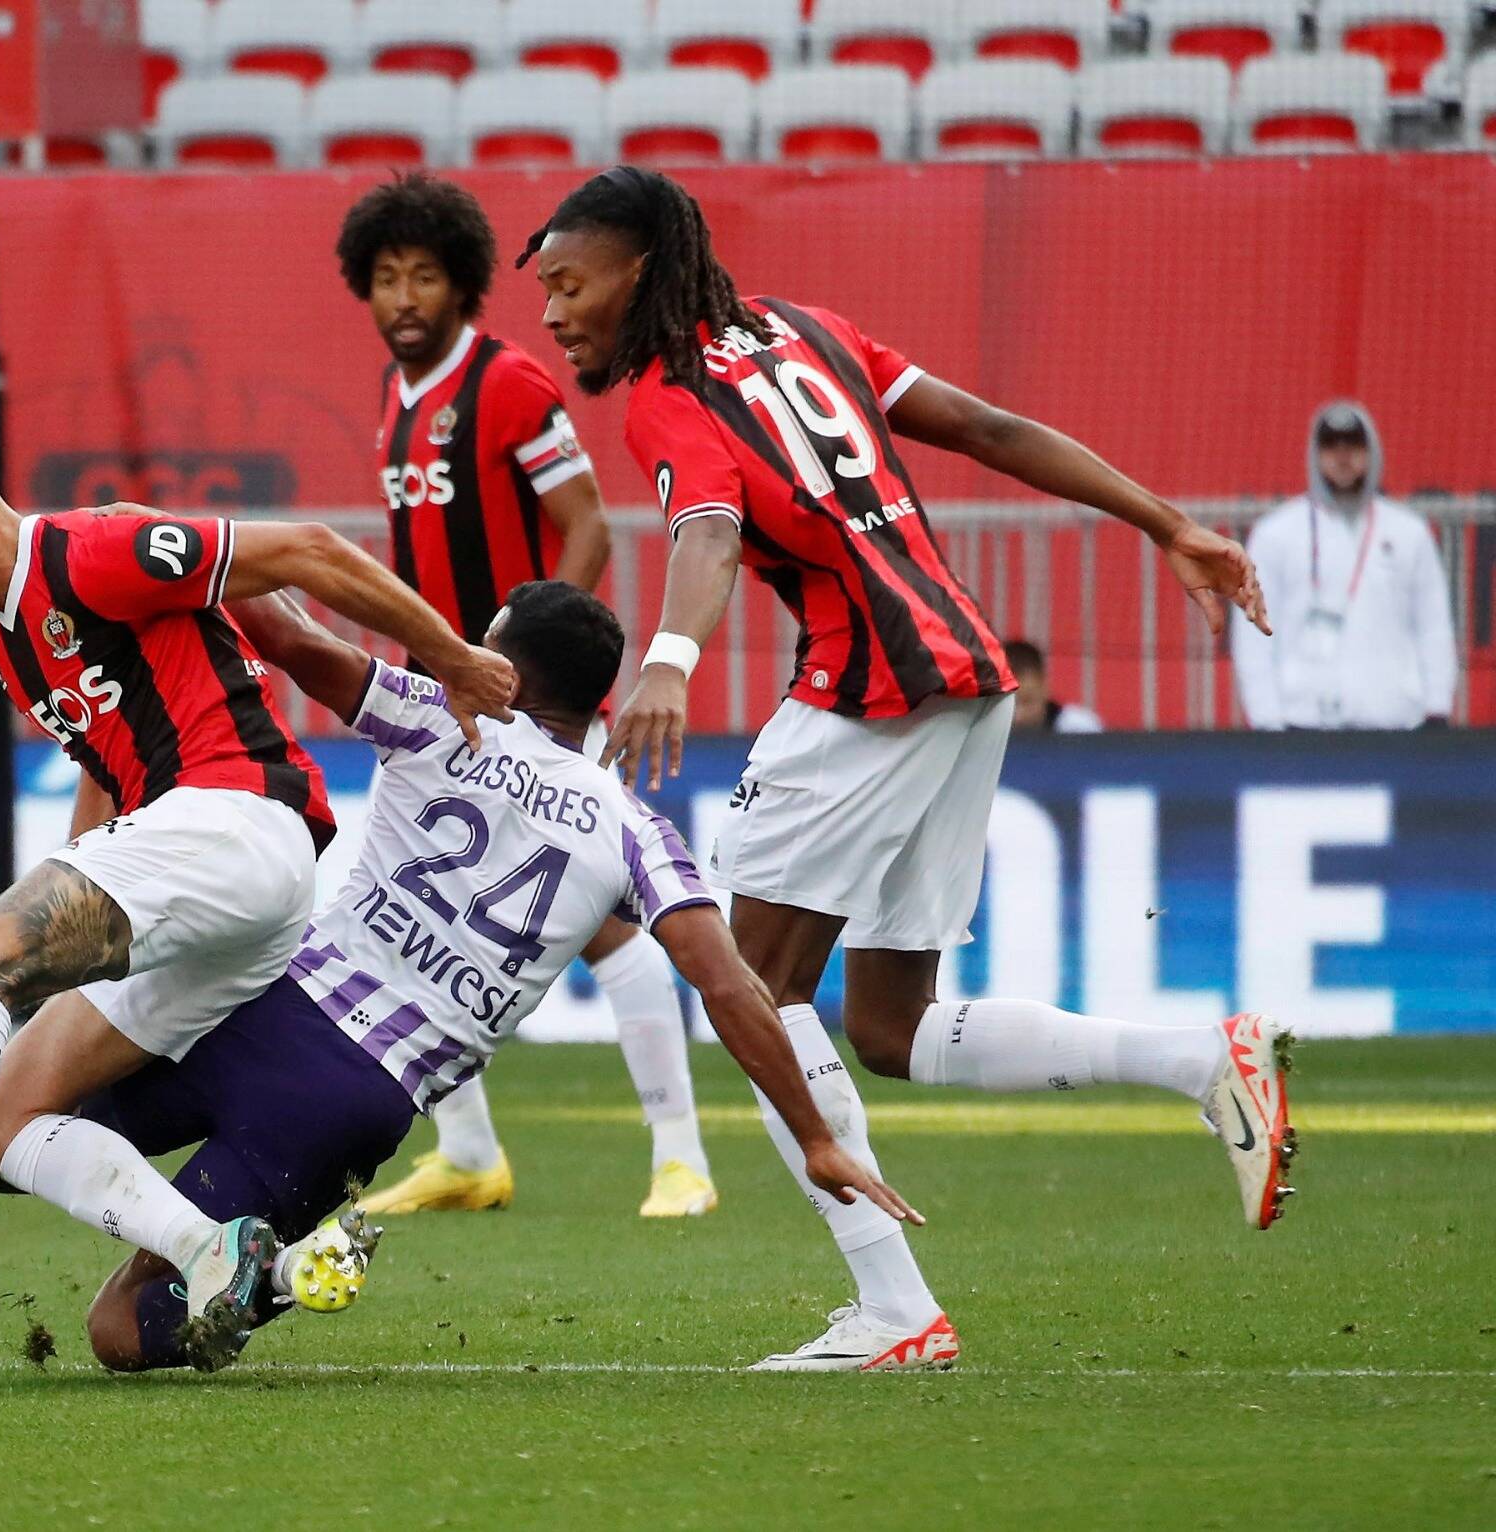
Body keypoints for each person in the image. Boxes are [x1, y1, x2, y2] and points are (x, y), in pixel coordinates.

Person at [521, 165, 1292, 1374]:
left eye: (569, 282)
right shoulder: (804, 328)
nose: (554, 310)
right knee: (889, 1021)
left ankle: (894, 1309)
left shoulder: (668, 397)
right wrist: (1161, 519)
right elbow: (990, 429)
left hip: (864, 694)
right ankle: (1203, 1062)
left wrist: (667, 658)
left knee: (753, 991)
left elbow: (708, 534)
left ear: (638, 271)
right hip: (967, 674)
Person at [0, 582, 918, 1374]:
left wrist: (176, 560)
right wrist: (815, 1135)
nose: (447, 650)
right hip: (356, 1101)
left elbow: (284, 633)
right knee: (124, 1323)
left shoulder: (440, 718)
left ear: (502, 665)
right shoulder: (636, 832)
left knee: (13, 1121)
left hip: (261, 1008)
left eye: (469, 639)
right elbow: (729, 988)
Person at [0, 419, 517, 1367]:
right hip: (212, 879)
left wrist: (453, 656)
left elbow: (309, 549)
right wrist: (56, 935)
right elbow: (104, 767)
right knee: (2, 1116)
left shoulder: (88, 552)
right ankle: (213, 1251)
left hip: (239, 817)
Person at [334, 172, 716, 1219]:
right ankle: (466, 1153)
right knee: (412, 910)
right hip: (438, 705)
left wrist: (519, 673)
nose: (403, 297)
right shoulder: (394, 394)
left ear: (463, 286)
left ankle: (680, 1156)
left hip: (512, 700)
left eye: (424, 276)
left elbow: (587, 522)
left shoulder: (508, 384)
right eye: (383, 278)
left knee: (597, 917)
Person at [1231, 401, 1457, 730]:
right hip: (1301, 722)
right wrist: (1266, 718)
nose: (1342, 456)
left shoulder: (1409, 533)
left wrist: (1436, 707)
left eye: (1353, 445)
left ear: (1371, 453)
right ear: (1315, 455)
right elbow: (1254, 633)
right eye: (1331, 446)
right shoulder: (1275, 534)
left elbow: (1433, 626)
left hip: (1394, 721)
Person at [1003, 638, 1103, 733]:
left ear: (1044, 688)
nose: (1018, 716)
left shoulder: (1081, 728)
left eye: (1027, 701)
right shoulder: (987, 733)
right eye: (1008, 706)